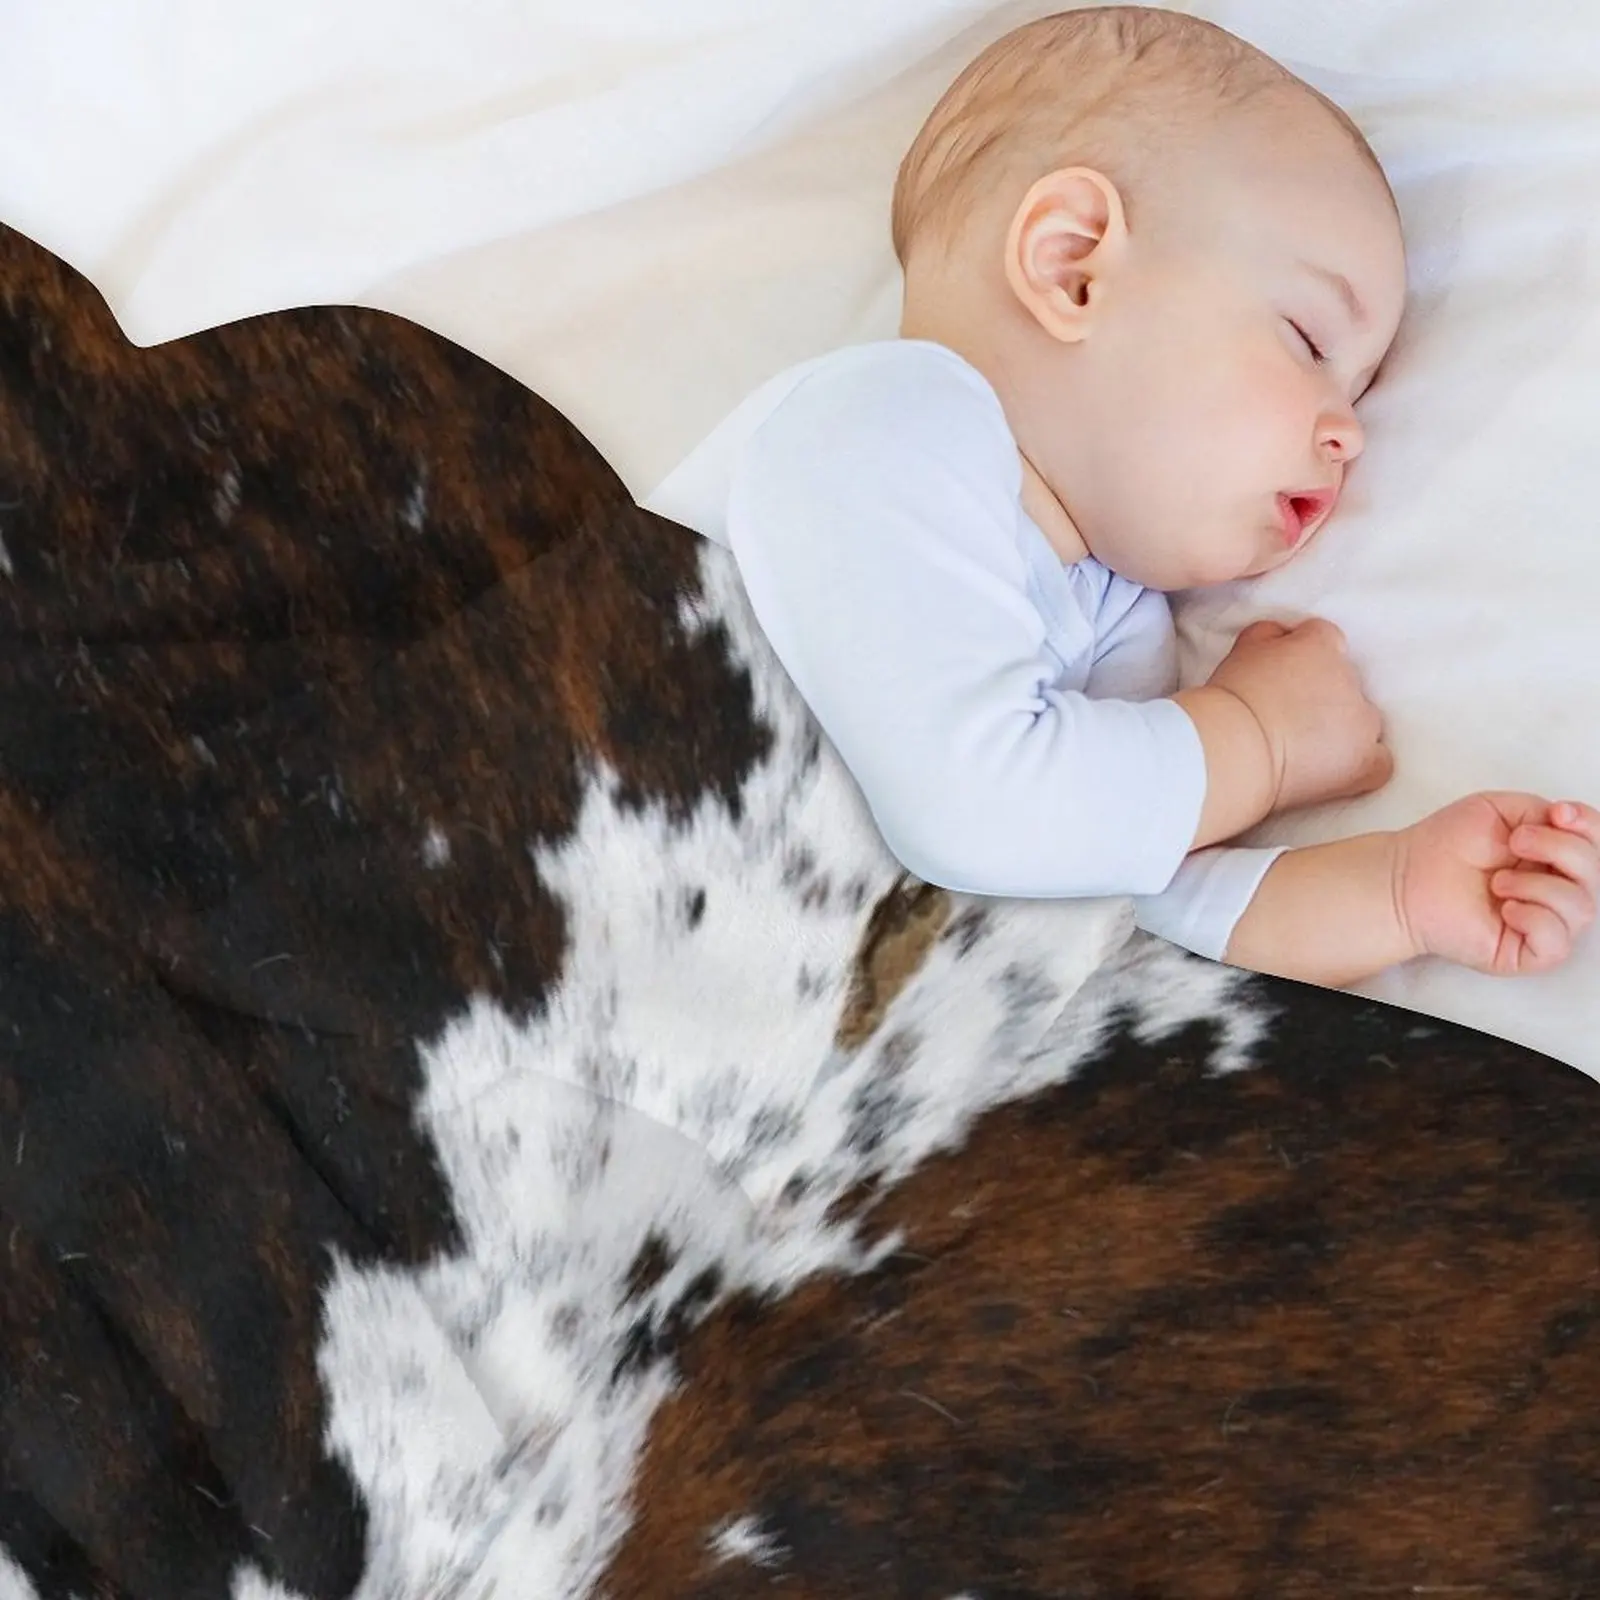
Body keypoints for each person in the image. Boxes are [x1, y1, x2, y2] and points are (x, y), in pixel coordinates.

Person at [647, 5, 1598, 988]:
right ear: (1074, 268)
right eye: (1309, 343)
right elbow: (977, 808)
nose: (1347, 430)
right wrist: (1256, 741)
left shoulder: (1108, 612)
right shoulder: (878, 424)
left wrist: (1399, 891)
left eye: (1355, 390)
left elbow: (1128, 895)